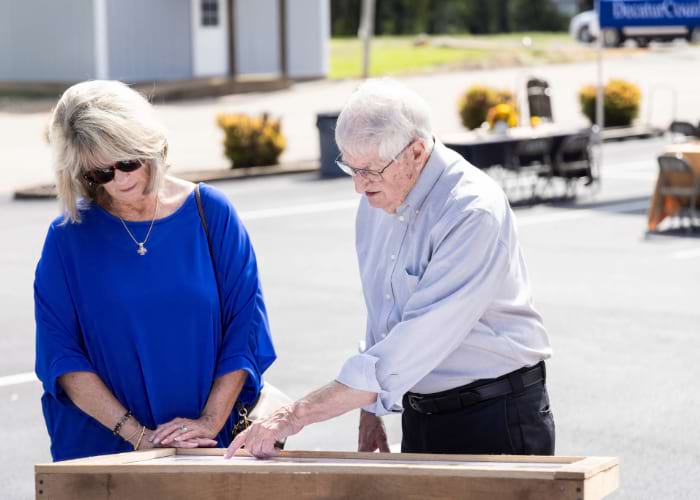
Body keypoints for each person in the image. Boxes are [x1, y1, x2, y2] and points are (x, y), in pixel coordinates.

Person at [225, 79, 554, 459]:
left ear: (416, 151)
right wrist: (369, 410)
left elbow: (417, 339)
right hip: (420, 411)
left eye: (370, 171)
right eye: (350, 168)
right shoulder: (378, 197)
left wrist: (293, 415)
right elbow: (384, 313)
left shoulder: (472, 212)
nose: (359, 187)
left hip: (496, 416)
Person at [35, 80, 276, 461]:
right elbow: (61, 357)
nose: (120, 180)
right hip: (108, 449)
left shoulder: (209, 212)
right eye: (99, 174)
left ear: (149, 143)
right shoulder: (68, 238)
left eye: (127, 162)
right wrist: (138, 436)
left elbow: (244, 329)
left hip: (208, 447)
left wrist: (210, 422)